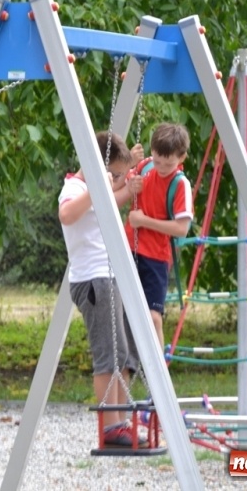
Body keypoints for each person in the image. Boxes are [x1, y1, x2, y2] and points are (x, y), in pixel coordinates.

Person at [58, 130, 146, 448]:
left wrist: (126, 185)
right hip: (94, 279)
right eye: (116, 175)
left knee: (123, 353)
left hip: (109, 276)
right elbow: (67, 214)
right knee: (108, 355)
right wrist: (100, 187)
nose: (119, 180)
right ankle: (110, 427)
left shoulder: (94, 189)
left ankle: (120, 421)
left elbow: (107, 202)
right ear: (99, 168)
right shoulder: (75, 188)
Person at [124, 122, 193, 351]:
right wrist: (130, 178)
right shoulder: (145, 166)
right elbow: (119, 178)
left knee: (153, 318)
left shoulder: (180, 184)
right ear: (152, 152)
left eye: (168, 163)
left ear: (181, 158)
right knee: (122, 312)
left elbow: (182, 229)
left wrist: (144, 221)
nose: (161, 167)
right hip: (129, 247)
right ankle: (129, 363)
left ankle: (158, 369)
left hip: (156, 256)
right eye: (157, 160)